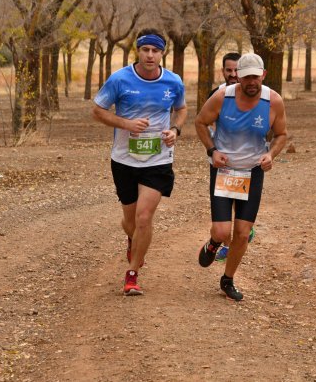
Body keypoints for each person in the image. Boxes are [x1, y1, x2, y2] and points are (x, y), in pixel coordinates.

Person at [91, 28, 187, 296]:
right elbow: (97, 111)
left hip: (158, 158)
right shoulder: (119, 79)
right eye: (145, 49)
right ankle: (133, 239)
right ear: (138, 51)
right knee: (130, 221)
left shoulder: (173, 82)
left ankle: (132, 274)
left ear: (162, 53)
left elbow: (181, 109)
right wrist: (126, 123)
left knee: (145, 217)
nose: (150, 55)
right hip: (124, 159)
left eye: (155, 50)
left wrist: (175, 130)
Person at [194, 53, 287, 301]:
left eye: (256, 76)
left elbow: (281, 135)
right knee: (223, 231)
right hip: (224, 170)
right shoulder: (222, 97)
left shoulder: (274, 101)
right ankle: (214, 243)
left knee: (243, 233)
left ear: (263, 75)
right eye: (246, 77)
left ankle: (228, 279)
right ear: (238, 77)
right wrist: (212, 151)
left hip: (253, 171)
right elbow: (201, 122)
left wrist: (271, 155)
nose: (251, 82)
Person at [206, 52, 256, 261]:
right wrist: (213, 149)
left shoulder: (257, 96)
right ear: (223, 71)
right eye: (229, 70)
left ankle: (241, 234)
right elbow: (206, 123)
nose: (233, 74)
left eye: (237, 70)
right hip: (223, 162)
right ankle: (225, 243)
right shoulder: (216, 94)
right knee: (227, 206)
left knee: (239, 202)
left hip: (247, 162)